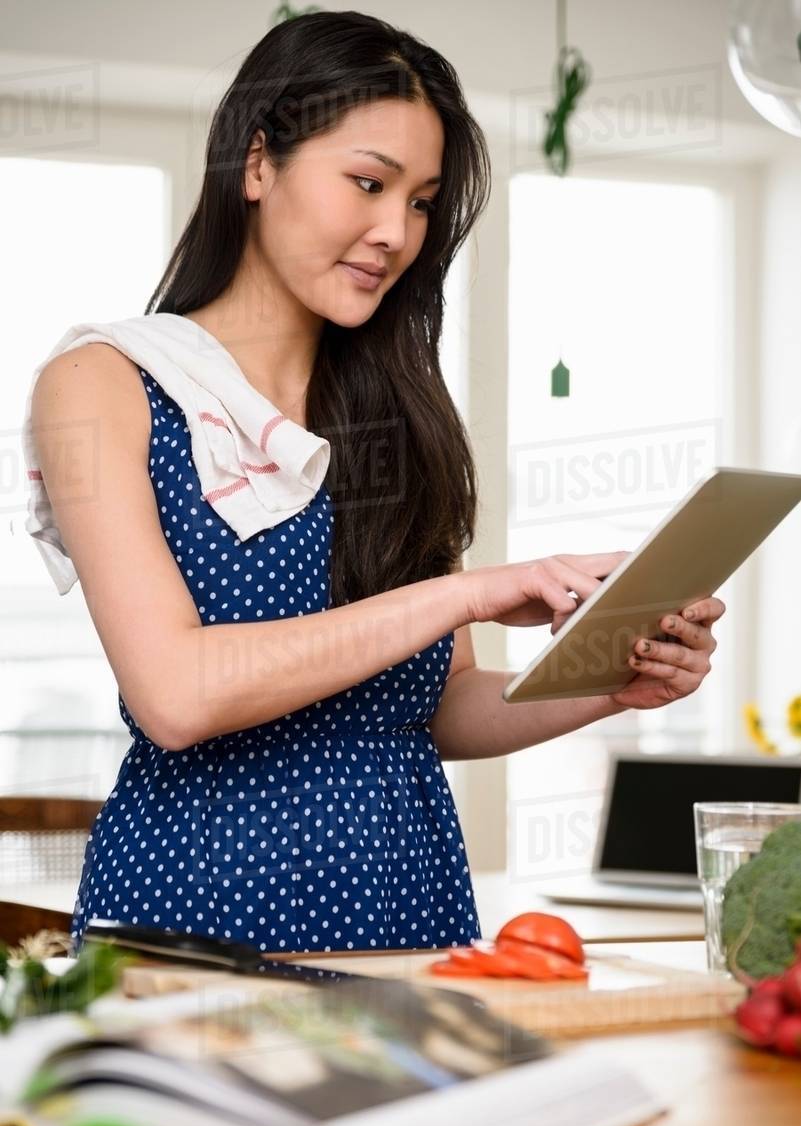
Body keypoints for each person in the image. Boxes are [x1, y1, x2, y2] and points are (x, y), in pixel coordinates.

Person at [28, 10, 724, 957]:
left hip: (413, 903)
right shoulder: (104, 382)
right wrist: (470, 592)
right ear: (258, 161)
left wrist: (609, 683)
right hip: (197, 916)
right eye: (367, 183)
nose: (395, 232)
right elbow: (175, 695)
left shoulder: (399, 413)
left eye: (423, 202)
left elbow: (436, 707)